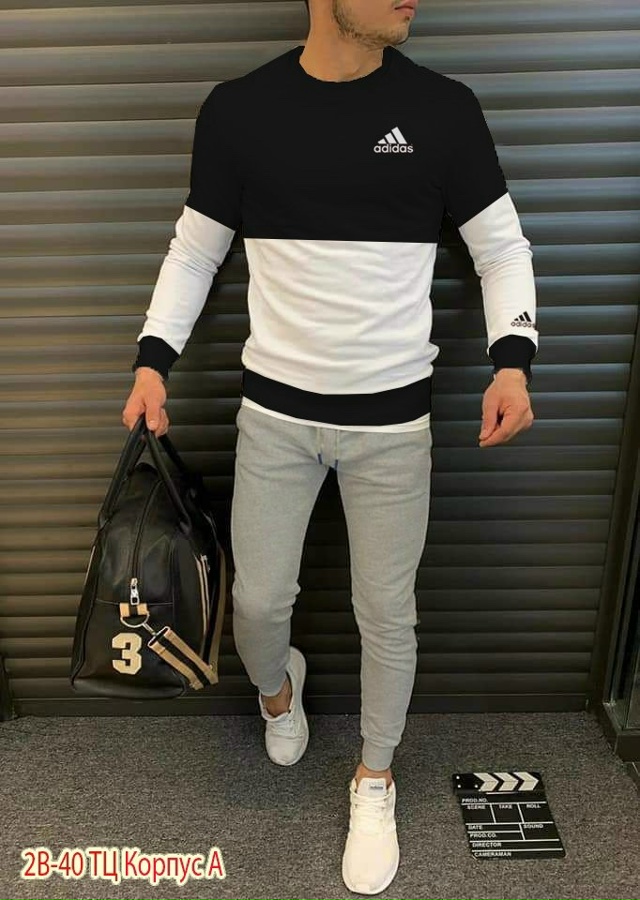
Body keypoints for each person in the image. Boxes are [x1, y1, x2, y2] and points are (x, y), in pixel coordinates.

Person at [122, 0, 538, 893]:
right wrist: (154, 361)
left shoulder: (444, 111)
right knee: (257, 605)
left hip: (393, 428)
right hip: (275, 420)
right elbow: (195, 253)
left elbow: (501, 250)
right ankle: (280, 692)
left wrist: (513, 360)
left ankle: (374, 779)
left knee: (387, 614)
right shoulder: (239, 111)